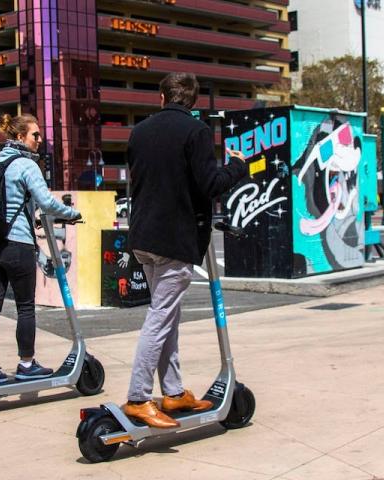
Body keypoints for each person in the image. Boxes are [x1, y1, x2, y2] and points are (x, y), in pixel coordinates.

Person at [123, 72, 248, 427]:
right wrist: (236, 166)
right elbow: (210, 185)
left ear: (161, 98)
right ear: (191, 102)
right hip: (174, 241)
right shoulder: (197, 132)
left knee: (167, 317)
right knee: (160, 317)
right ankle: (137, 397)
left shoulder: (140, 131)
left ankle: (174, 392)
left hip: (143, 238)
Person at [0, 113, 81, 384]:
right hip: (17, 245)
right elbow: (46, 202)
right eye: (35, 135)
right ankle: (26, 363)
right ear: (20, 137)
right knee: (25, 307)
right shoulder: (25, 164)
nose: (40, 139)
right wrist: (71, 213)